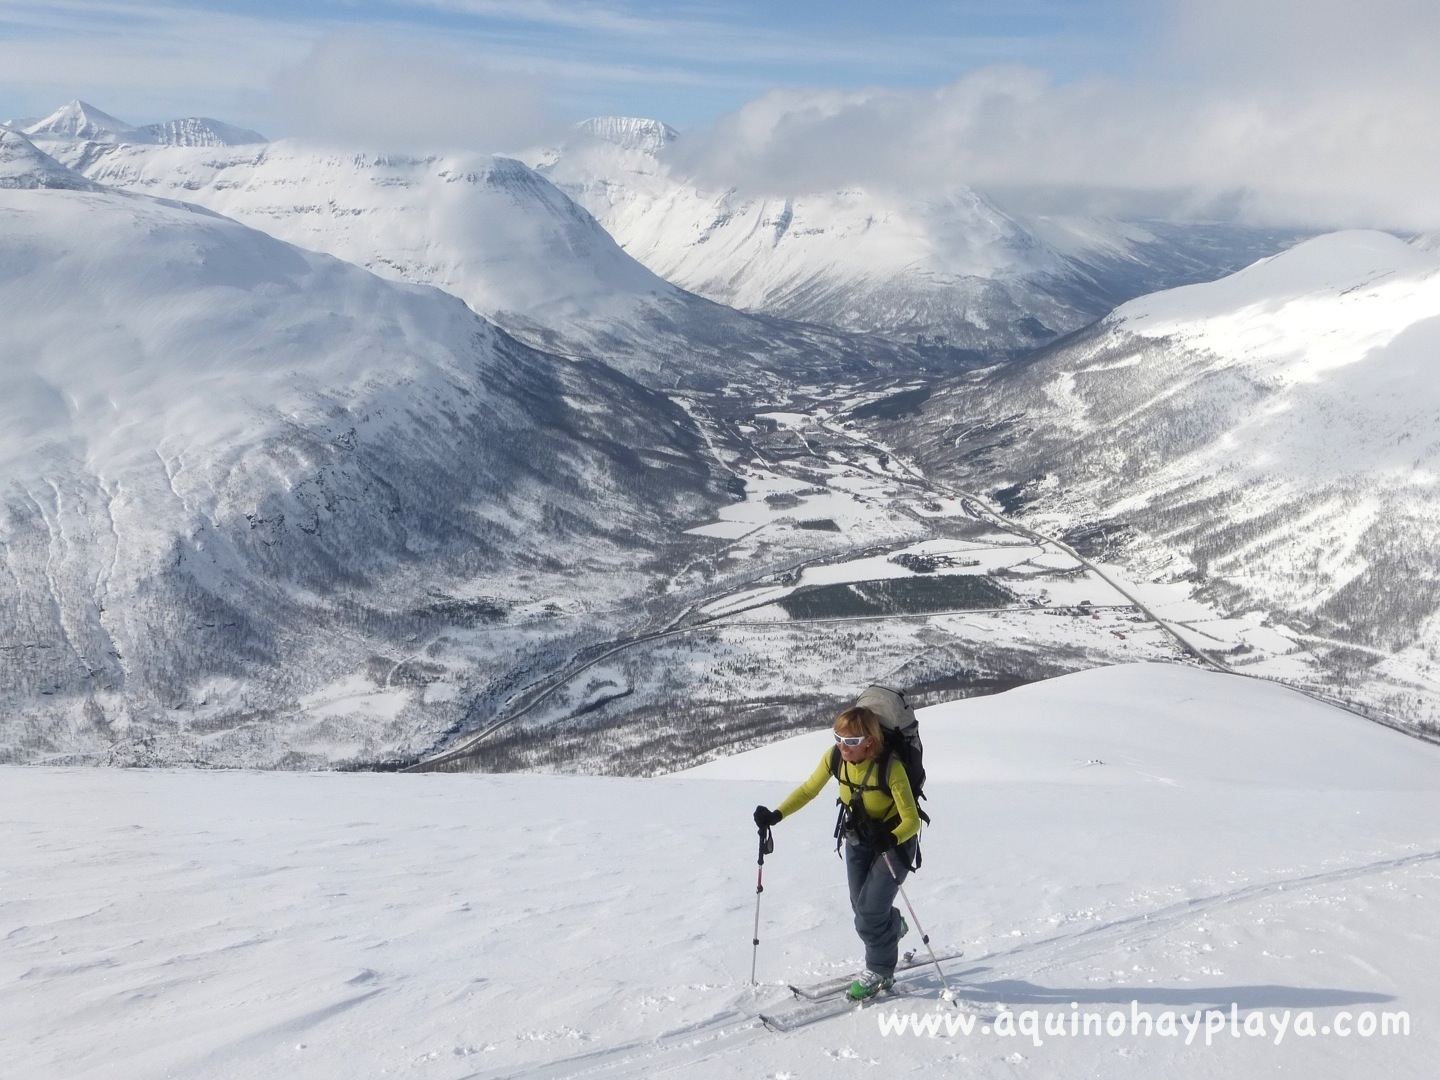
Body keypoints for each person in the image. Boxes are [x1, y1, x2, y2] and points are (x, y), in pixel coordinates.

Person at [753, 704, 921, 1000]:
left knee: (869, 913)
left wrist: (891, 839)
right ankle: (892, 927)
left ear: (870, 740)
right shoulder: (835, 758)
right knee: (862, 908)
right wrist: (776, 815)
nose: (843, 746)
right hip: (858, 838)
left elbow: (912, 820)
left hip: (894, 845)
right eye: (839, 738)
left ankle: (880, 971)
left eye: (852, 741)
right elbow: (808, 790)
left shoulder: (890, 767)